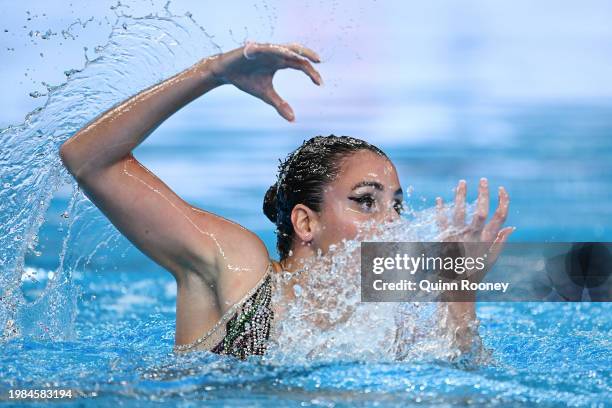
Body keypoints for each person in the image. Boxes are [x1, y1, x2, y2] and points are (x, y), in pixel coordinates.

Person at [59, 41, 513, 360]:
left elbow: (461, 383)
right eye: (366, 202)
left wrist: (460, 289)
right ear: (306, 222)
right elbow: (87, 160)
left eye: (395, 205)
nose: (391, 223)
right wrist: (212, 73)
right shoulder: (241, 270)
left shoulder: (381, 313)